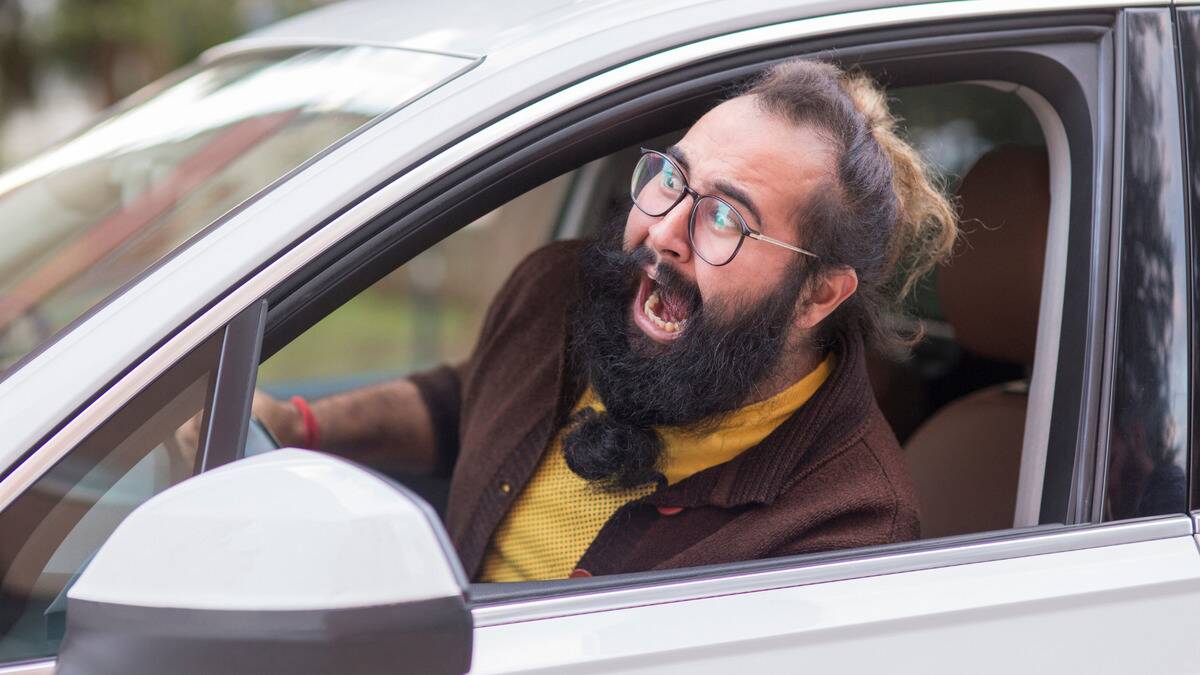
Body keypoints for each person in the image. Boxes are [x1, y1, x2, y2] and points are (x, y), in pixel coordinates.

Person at [252, 59, 958, 582]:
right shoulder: (559, 292)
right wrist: (301, 427)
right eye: (672, 179)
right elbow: (475, 398)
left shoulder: (848, 524)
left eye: (725, 218)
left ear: (817, 296)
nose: (664, 231)